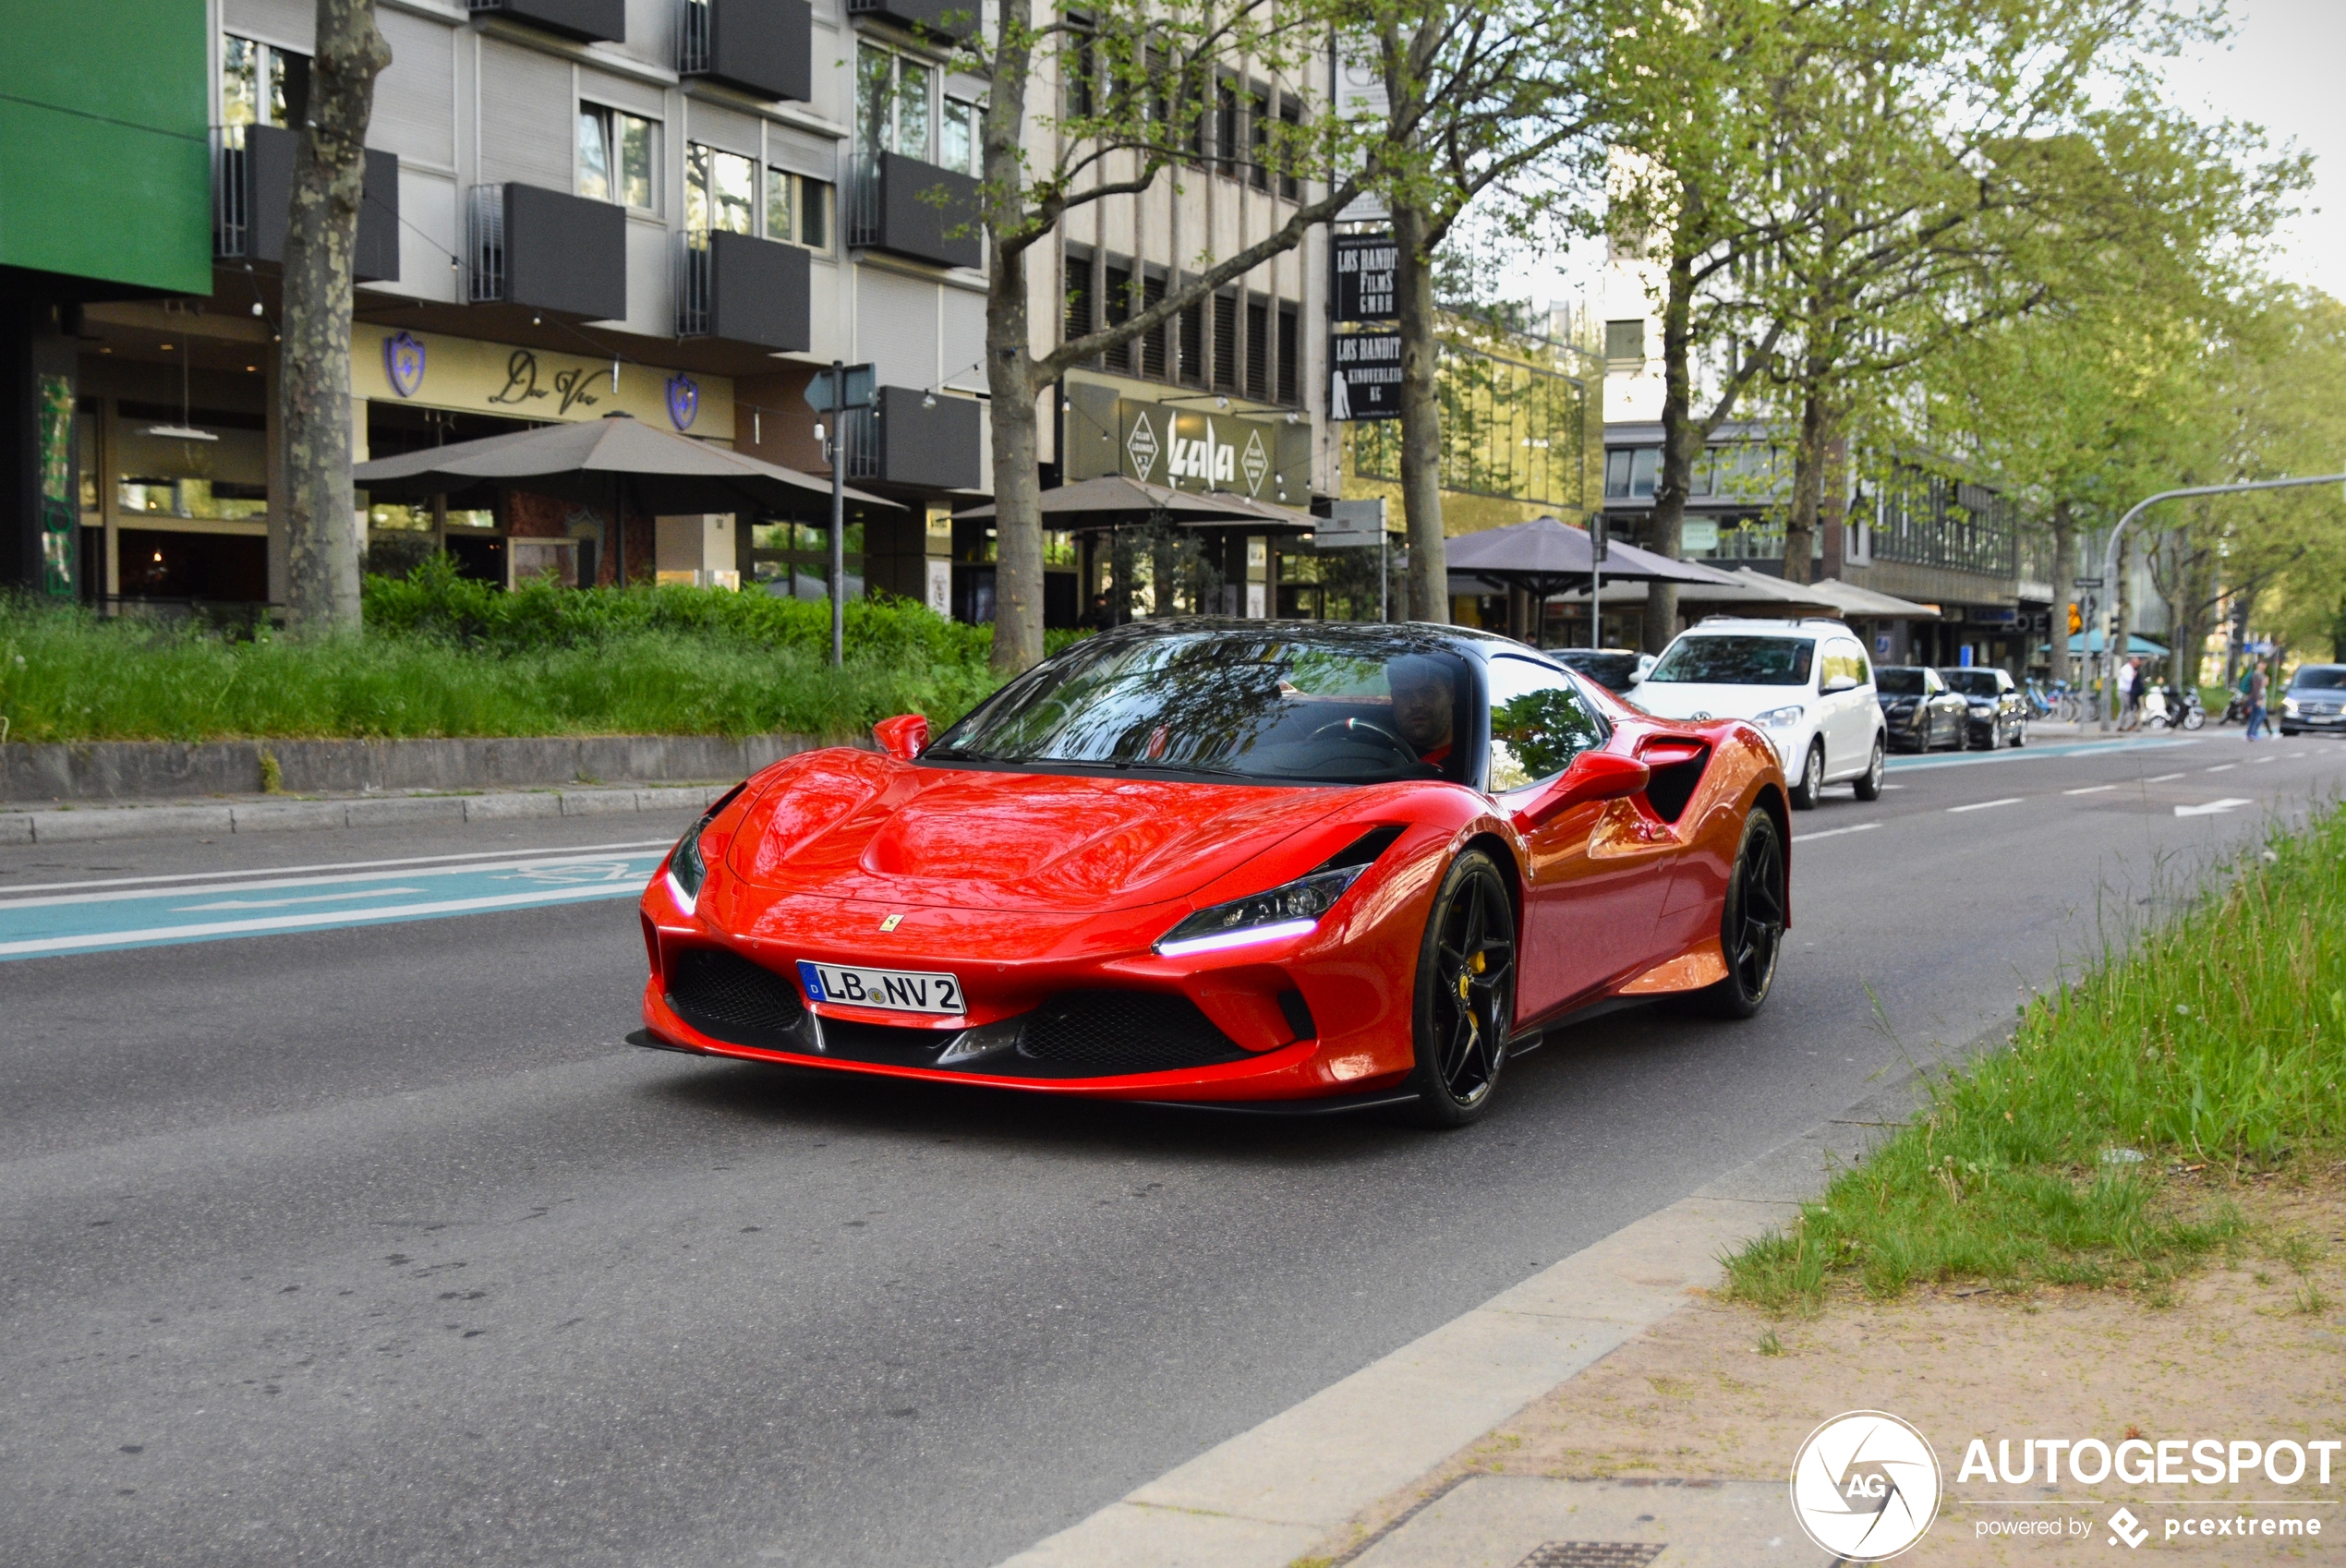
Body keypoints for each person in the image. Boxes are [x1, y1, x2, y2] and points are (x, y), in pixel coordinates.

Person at [1386, 655, 1457, 771]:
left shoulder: (1472, 757)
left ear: (1451, 694)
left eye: (1427, 692)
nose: (1416, 704)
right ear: (1393, 698)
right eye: (1404, 694)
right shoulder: (1373, 746)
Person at [2245, 659, 2269, 742]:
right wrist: (2258, 699)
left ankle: (2250, 734)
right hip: (2256, 699)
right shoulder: (2256, 674)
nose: (2263, 666)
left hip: (2257, 698)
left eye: (2264, 664)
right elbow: (2256, 688)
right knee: (2261, 715)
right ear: (2258, 665)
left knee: (2254, 716)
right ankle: (2253, 733)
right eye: (2261, 664)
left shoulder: (2261, 674)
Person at [2116, 656, 2141, 730]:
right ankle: (2128, 725)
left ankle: (2122, 725)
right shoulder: (2126, 669)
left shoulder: (2130, 669)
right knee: (2129, 708)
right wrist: (2134, 676)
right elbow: (2129, 680)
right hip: (2124, 691)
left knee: (2126, 709)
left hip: (2128, 691)